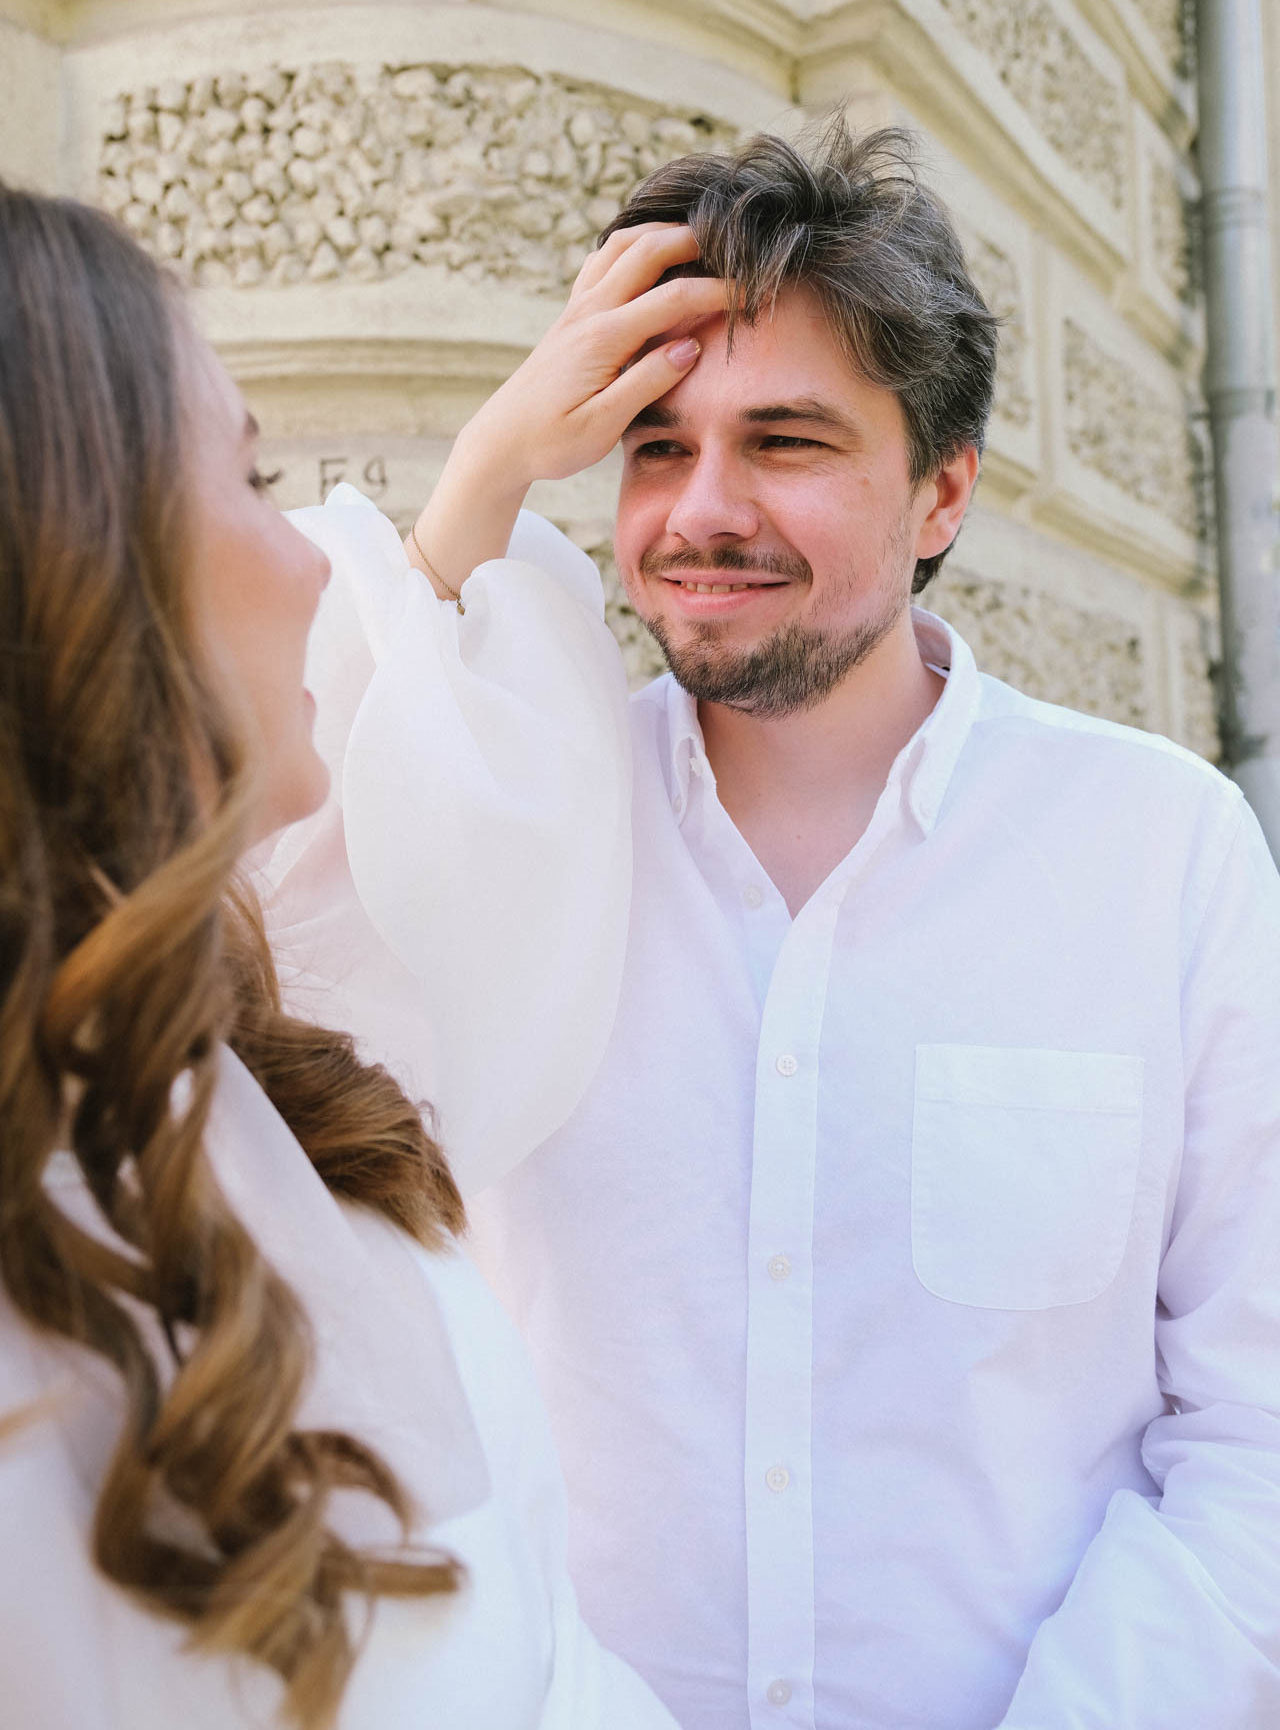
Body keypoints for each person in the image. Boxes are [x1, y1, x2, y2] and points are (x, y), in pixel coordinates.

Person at [392, 119, 1279, 1729]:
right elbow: (272, 925)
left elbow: (1258, 1431)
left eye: (785, 443)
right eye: (655, 446)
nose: (699, 512)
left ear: (941, 491)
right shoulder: (524, 826)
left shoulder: (1164, 855)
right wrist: (485, 475)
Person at [0, 182, 721, 1726]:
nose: (329, 559)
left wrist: (494, 483)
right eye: (252, 480)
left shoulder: (256, 1062)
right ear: (82, 572)